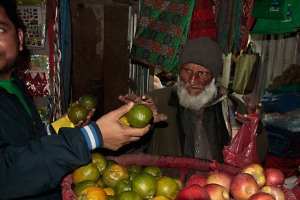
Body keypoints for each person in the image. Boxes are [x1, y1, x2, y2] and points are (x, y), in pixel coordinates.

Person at [0, 1, 150, 199]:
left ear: (19, 38)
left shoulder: (14, 85)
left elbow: (26, 141)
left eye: (0, 30)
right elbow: (7, 174)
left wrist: (67, 124)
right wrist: (90, 137)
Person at [119, 36, 268, 163]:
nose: (192, 80)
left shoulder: (234, 107)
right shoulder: (157, 102)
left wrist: (256, 130)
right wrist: (137, 124)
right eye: (187, 70)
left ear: (214, 77)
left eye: (202, 73)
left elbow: (257, 159)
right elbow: (127, 153)